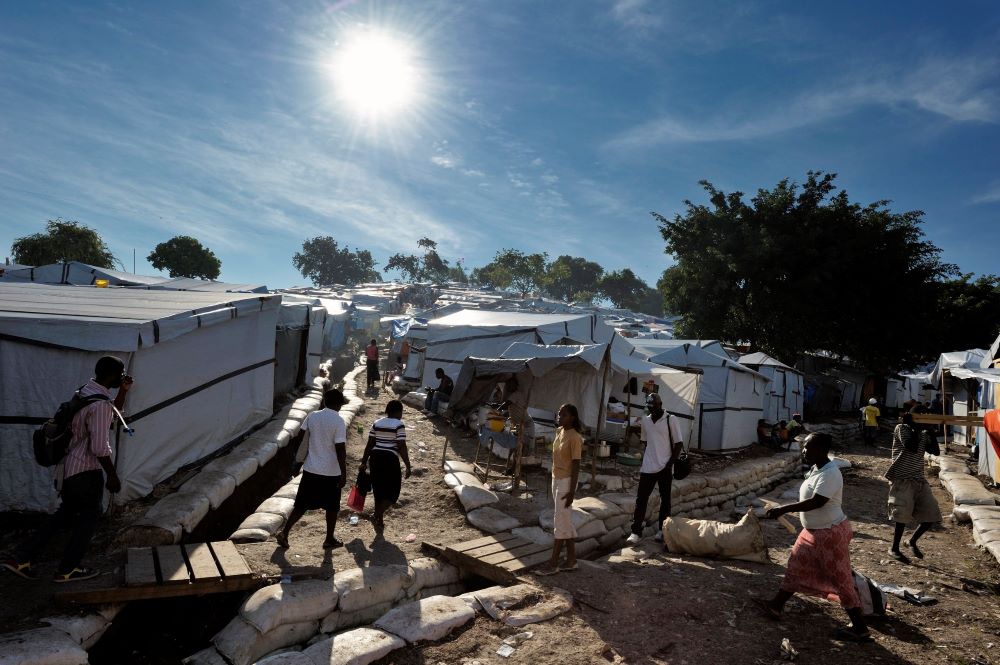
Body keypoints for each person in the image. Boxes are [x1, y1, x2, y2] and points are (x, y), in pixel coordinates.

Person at [3, 356, 131, 582]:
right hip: (85, 472)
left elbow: (111, 414)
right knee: (89, 518)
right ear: (111, 374)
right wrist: (112, 475)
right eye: (120, 373)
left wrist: (123, 391)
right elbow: (100, 447)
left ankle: (21, 558)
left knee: (64, 515)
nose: (122, 377)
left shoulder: (85, 391)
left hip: (68, 469)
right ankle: (68, 569)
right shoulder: (99, 404)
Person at [760, 433, 870, 642]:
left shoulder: (831, 473)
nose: (804, 451)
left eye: (808, 447)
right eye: (804, 447)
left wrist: (783, 509)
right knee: (795, 566)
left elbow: (817, 502)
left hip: (829, 532)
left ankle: (860, 628)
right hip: (813, 531)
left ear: (821, 448)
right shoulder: (816, 469)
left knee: (841, 579)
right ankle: (776, 605)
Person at [276, 389, 348, 550]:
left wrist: (298, 460)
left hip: (311, 469)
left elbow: (300, 438)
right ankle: (329, 538)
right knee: (332, 507)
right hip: (331, 472)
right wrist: (344, 473)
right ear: (338, 404)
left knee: (301, 505)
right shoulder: (338, 421)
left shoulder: (312, 416)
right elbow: (340, 449)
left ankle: (285, 532)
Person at [626, 393, 683, 545]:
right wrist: (649, 457)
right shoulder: (645, 421)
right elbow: (645, 442)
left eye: (655, 406)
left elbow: (678, 444)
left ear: (661, 404)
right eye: (650, 407)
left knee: (665, 500)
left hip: (665, 467)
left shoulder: (671, 419)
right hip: (648, 466)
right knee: (641, 499)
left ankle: (661, 530)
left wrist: (669, 464)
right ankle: (636, 532)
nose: (653, 410)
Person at [885, 410, 941, 562]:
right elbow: (911, 447)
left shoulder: (922, 432)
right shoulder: (902, 428)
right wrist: (916, 428)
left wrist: (931, 433)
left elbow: (935, 452)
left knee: (931, 515)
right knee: (901, 516)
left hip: (919, 479)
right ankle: (894, 548)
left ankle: (912, 541)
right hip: (902, 479)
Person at [536, 404, 584, 575]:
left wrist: (572, 491)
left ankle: (553, 563)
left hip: (567, 482)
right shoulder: (559, 432)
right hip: (556, 478)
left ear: (572, 417)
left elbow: (577, 465)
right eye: (559, 414)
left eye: (563, 414)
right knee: (565, 520)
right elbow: (555, 454)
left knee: (559, 521)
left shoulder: (575, 438)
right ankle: (571, 560)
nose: (559, 416)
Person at [360, 400, 412, 537]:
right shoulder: (399, 425)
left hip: (375, 458)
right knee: (393, 492)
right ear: (398, 412)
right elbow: (401, 446)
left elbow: (370, 444)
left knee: (379, 489)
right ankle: (376, 514)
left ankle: (379, 520)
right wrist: (408, 465)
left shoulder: (377, 423)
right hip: (389, 459)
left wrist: (364, 461)